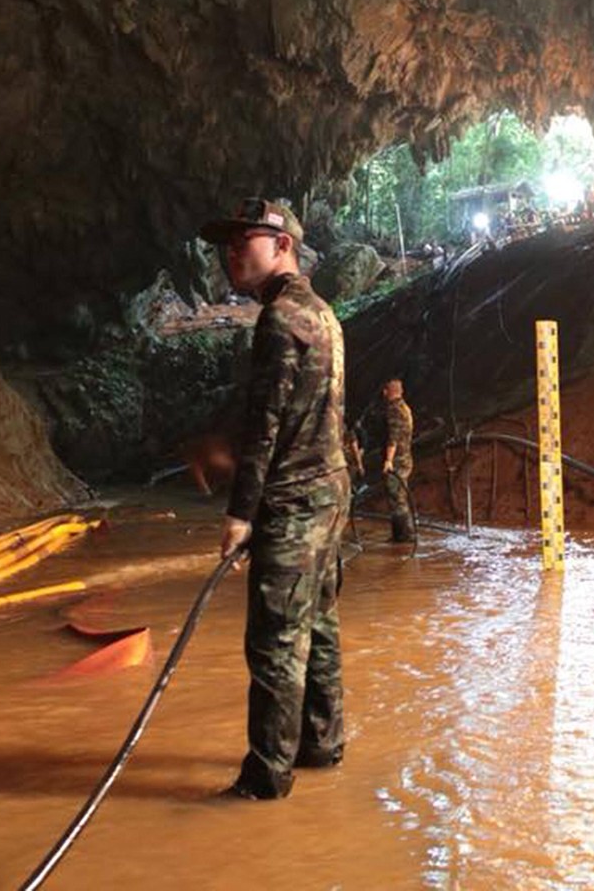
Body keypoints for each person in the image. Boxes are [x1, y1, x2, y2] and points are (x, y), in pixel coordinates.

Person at [200, 196, 350, 801]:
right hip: (328, 493)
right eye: (227, 244)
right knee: (318, 621)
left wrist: (240, 514)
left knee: (274, 642)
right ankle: (322, 743)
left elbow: (265, 428)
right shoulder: (323, 313)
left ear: (282, 244)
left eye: (245, 242)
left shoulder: (279, 320)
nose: (232, 253)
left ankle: (265, 779)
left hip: (292, 502)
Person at [381, 378, 415, 543]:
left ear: (387, 391)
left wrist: (388, 460)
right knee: (399, 496)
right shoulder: (405, 408)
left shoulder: (394, 410)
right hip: (406, 458)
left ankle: (405, 536)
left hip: (398, 461)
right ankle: (399, 535)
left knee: (397, 498)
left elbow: (392, 438)